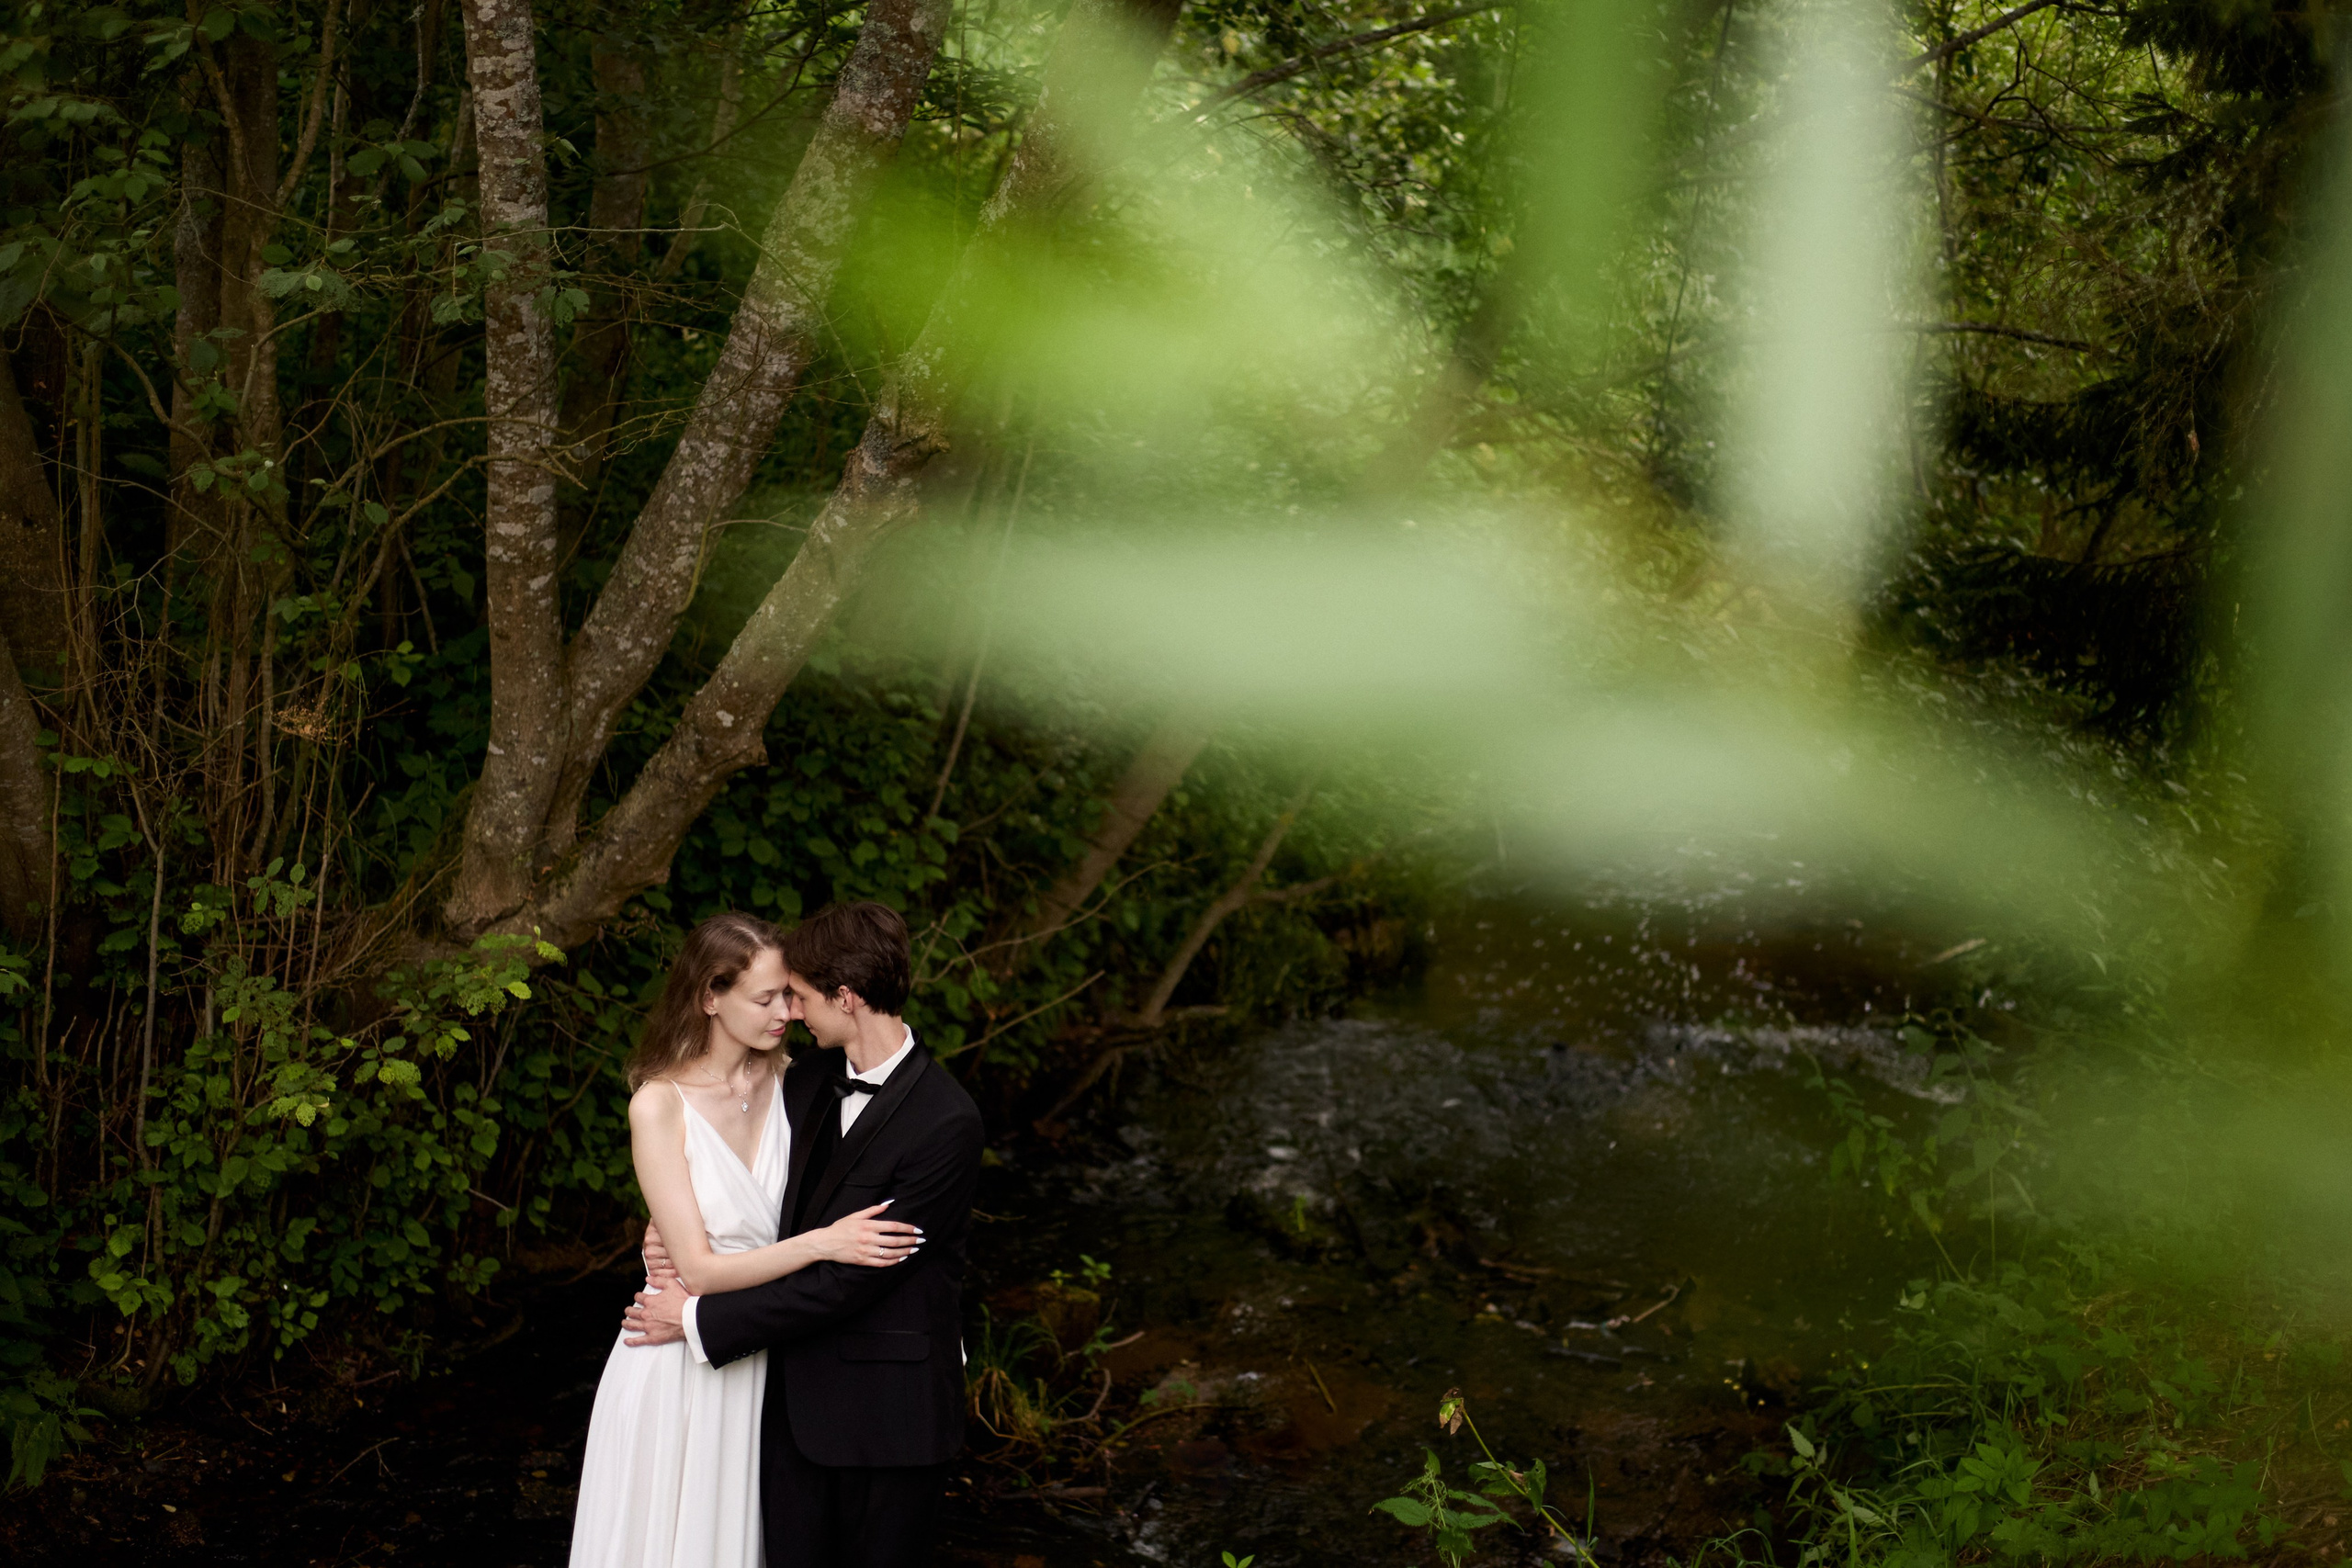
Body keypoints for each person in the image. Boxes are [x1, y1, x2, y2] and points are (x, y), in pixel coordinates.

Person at [626, 900, 985, 1568]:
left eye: (799, 996)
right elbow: (735, 1167)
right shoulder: (804, 1079)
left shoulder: (947, 1121)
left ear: (845, 998)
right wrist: (671, 1219)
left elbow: (850, 1281)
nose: (790, 1013)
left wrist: (700, 1319)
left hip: (891, 1420)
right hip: (788, 1408)